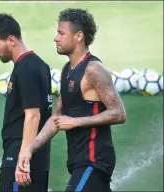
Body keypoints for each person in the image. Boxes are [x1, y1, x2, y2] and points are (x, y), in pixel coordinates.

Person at [17, 8, 126, 192]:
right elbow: (56, 119)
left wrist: (75, 122)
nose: (56, 38)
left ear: (79, 36)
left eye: (61, 33)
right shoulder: (67, 69)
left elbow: (119, 113)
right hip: (78, 161)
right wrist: (29, 148)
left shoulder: (93, 69)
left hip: (94, 161)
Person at [0, 13, 52, 192]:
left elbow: (33, 116)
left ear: (11, 40)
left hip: (20, 157)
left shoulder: (27, 68)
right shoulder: (37, 64)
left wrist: (22, 160)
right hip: (35, 158)